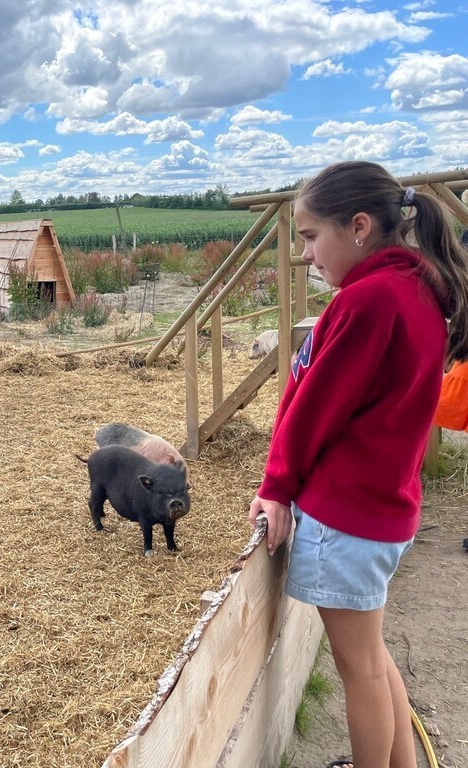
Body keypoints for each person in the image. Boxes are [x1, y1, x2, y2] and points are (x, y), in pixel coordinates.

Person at [248, 161, 468, 768]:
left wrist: (275, 486)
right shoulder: (416, 287)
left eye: (313, 237)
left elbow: (316, 407)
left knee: (359, 668)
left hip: (346, 518)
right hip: (382, 507)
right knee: (372, 658)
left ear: (362, 227)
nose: (308, 255)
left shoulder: (370, 300)